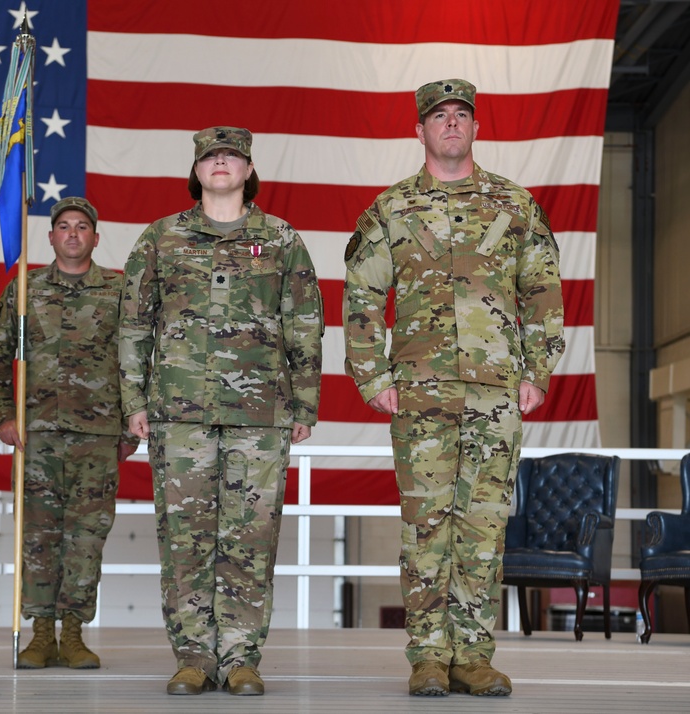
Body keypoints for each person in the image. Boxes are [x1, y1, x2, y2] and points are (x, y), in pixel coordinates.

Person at [343, 79, 566, 697]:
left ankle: (473, 655)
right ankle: (428, 658)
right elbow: (362, 295)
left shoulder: (514, 205)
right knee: (425, 526)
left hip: (496, 392)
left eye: (460, 115)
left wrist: (537, 373)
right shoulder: (391, 210)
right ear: (419, 131)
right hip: (420, 392)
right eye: (437, 116)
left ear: (474, 128)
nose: (449, 124)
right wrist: (373, 375)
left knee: (484, 525)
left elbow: (543, 292)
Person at [119, 127, 323, 696]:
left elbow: (304, 324)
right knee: (184, 537)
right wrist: (133, 402)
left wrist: (304, 402)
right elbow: (135, 326)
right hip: (178, 415)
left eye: (231, 156)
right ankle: (193, 656)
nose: (222, 163)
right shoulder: (161, 239)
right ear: (197, 169)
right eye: (211, 156)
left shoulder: (281, 239)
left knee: (251, 536)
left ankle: (240, 657)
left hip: (260, 416)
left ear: (249, 167)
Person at [0, 196, 138, 670]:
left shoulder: (118, 293)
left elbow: (137, 361)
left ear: (95, 237)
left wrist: (132, 422)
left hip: (97, 435)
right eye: (63, 226)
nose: (72, 234)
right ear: (51, 236)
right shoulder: (24, 291)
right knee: (38, 536)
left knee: (87, 536)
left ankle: (72, 633)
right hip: (37, 435)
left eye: (82, 227)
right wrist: (2, 416)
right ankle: (39, 634)